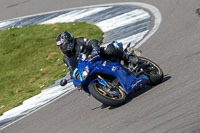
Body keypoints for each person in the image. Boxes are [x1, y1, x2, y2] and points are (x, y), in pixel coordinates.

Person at [56, 31, 138, 77]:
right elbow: (72, 70)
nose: (63, 48)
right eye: (61, 47)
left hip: (98, 56)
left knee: (109, 49)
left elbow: (92, 41)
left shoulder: (79, 41)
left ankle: (128, 58)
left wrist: (95, 49)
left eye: (64, 45)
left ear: (69, 41)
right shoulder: (66, 58)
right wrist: (75, 77)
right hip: (89, 68)